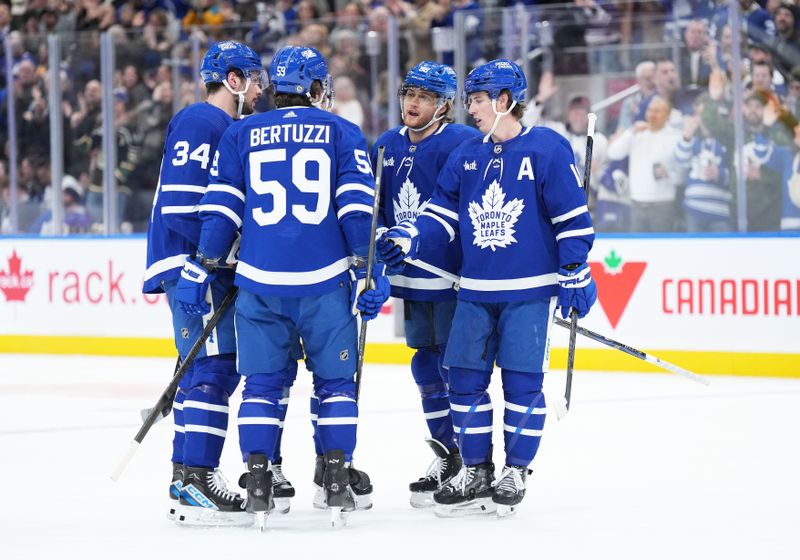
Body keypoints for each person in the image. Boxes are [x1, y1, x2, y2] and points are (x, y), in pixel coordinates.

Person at [174, 45, 390, 528]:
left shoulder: (241, 132)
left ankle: (258, 479)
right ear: (315, 89)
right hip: (324, 282)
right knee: (335, 384)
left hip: (259, 282)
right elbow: (356, 208)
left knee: (261, 386)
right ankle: (335, 479)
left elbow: (223, 208)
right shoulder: (341, 131)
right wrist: (368, 268)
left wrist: (204, 264)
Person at [377, 59, 597, 517]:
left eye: (477, 99)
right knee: (463, 383)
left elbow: (572, 219)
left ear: (503, 101)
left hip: (528, 294)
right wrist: (407, 237)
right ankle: (476, 471)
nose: (471, 108)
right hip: (473, 291)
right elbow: (440, 214)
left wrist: (576, 269)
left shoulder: (548, 149)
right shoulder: (468, 156)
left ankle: (515, 470)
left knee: (521, 383)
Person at [142, 40, 265, 527]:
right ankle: (198, 475)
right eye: (254, 80)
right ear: (233, 80)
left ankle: (183, 474)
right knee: (216, 368)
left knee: (199, 369)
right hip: (196, 265)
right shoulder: (203, 121)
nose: (260, 91)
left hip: (199, 263)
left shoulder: (221, 125)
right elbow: (181, 205)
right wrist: (212, 258)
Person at [372, 61, 481, 508]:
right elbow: (374, 209)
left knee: (458, 369)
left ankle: (474, 460)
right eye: (408, 94)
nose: (412, 103)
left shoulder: (463, 142)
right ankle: (447, 455)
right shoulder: (386, 145)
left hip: (452, 277)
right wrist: (381, 245)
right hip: (410, 279)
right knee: (424, 365)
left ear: (444, 104)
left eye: (424, 97)